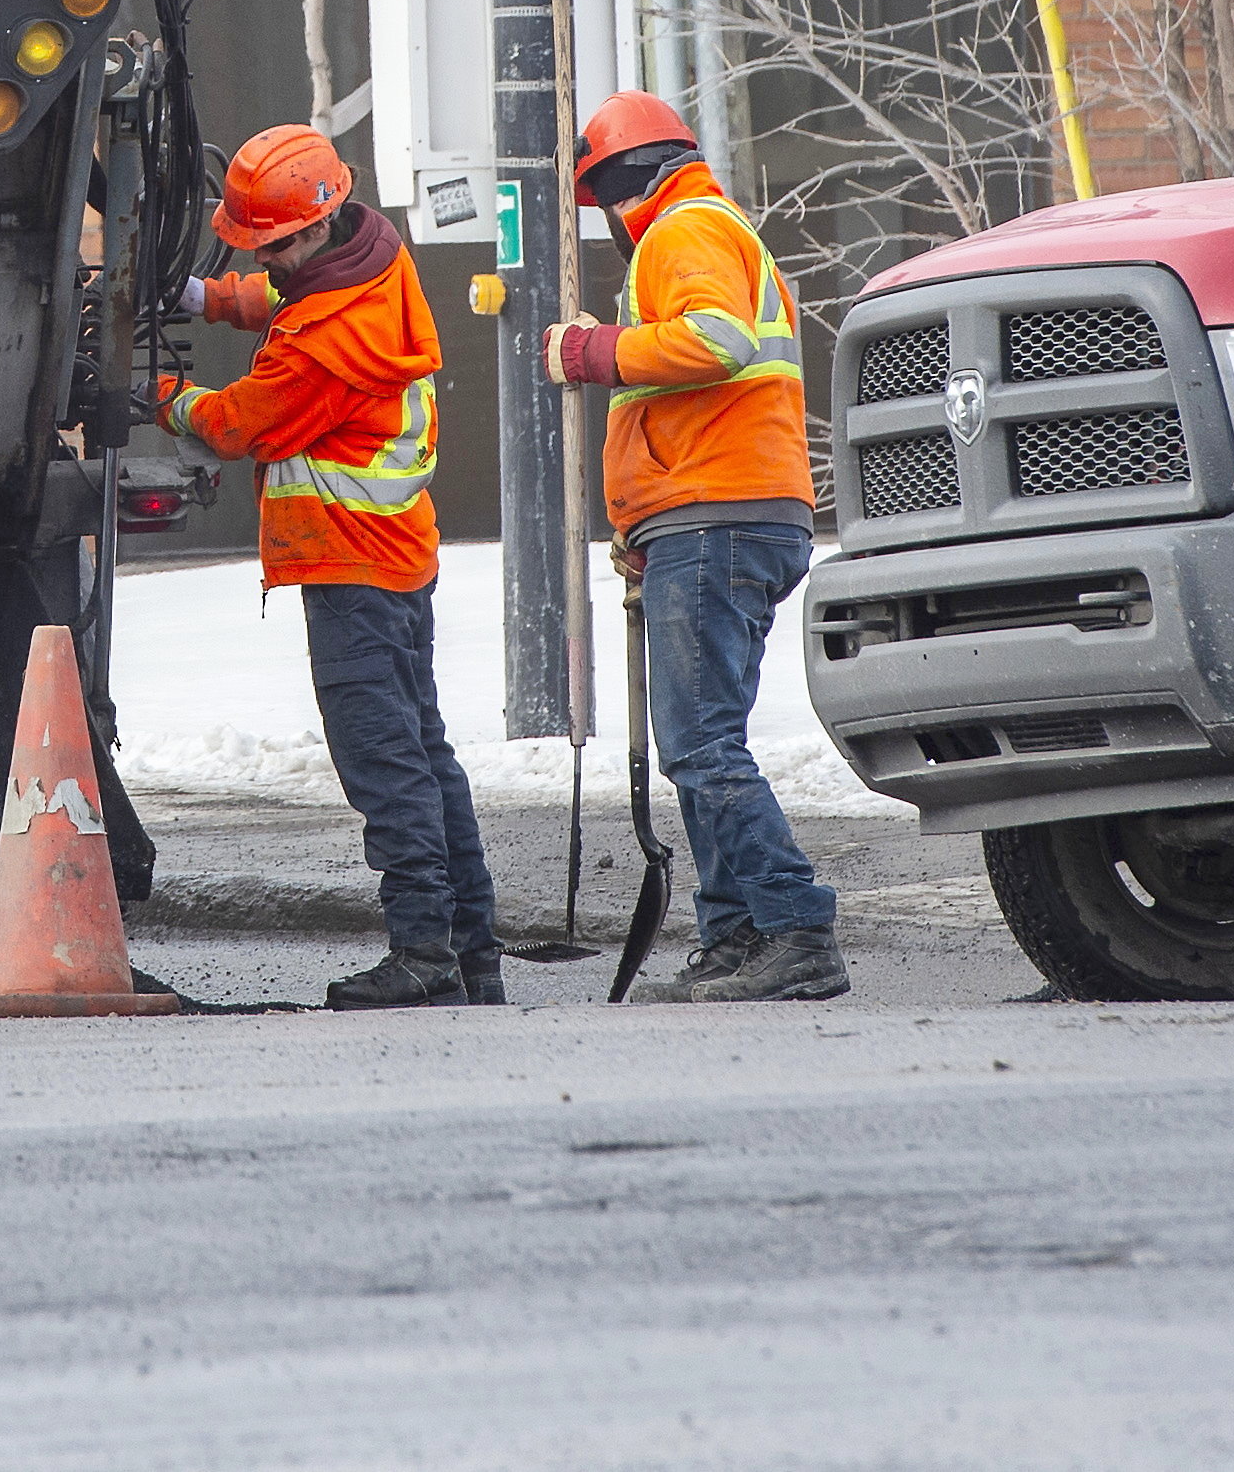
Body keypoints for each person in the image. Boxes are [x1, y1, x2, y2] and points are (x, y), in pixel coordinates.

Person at [153, 123, 500, 1010]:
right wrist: (198, 294)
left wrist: (162, 395)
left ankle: (422, 951)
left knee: (384, 764)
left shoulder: (323, 343)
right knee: (425, 755)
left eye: (271, 245)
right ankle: (472, 949)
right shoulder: (374, 258)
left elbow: (237, 423)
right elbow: (281, 296)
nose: (265, 260)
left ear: (310, 230)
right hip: (397, 557)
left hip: (352, 565)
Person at [548, 92, 846, 1003]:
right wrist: (645, 524)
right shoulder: (707, 227)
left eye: (598, 198)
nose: (603, 221)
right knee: (702, 739)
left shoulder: (685, 228)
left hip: (720, 513)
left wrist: (594, 350)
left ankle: (796, 926)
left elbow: (712, 342)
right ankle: (733, 934)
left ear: (619, 184)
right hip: (716, 514)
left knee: (701, 744)